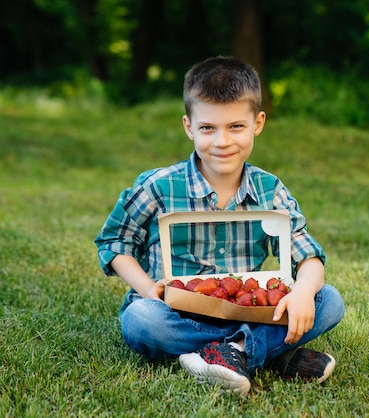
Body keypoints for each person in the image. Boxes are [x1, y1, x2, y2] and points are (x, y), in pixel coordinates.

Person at [94, 56, 344, 397]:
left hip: (251, 309)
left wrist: (301, 292)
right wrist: (148, 287)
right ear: (188, 126)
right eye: (208, 128)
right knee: (140, 319)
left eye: (236, 127)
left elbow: (307, 255)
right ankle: (270, 355)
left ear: (257, 123)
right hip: (176, 314)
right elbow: (115, 242)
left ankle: (228, 354)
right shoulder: (158, 186)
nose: (222, 141)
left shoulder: (270, 190)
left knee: (328, 301)